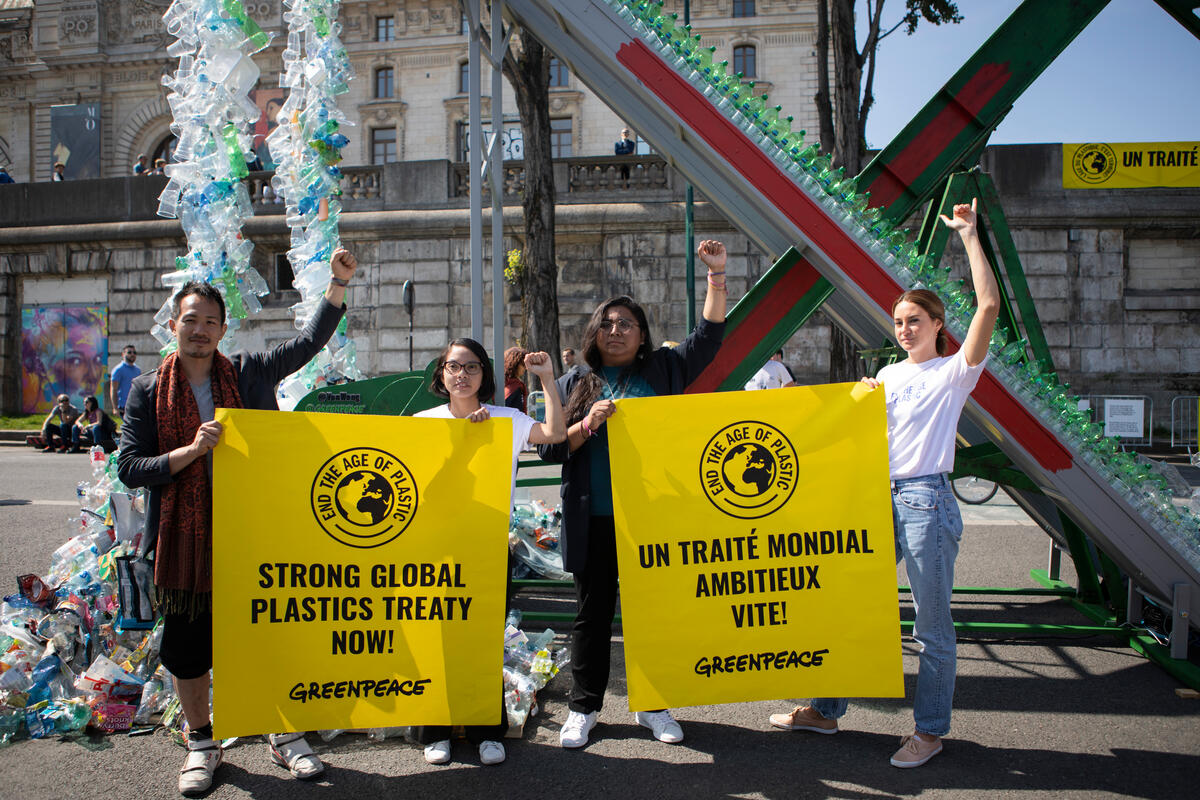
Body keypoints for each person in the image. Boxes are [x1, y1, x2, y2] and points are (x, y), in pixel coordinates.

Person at [117, 249, 360, 796]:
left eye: (211, 321)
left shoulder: (248, 374)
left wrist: (338, 283)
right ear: (173, 325)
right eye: (191, 320)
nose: (200, 330)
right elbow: (130, 466)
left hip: (253, 532)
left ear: (223, 330)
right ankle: (202, 743)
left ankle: (281, 731)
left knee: (267, 637)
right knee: (189, 648)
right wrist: (188, 452)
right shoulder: (147, 390)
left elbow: (307, 344)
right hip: (185, 543)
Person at [767, 199, 999, 769]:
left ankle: (929, 732)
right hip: (876, 497)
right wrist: (858, 397)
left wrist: (969, 236)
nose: (904, 329)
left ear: (938, 325)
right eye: (898, 322)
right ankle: (826, 710)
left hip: (926, 500)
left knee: (931, 628)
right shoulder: (889, 374)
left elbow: (989, 305)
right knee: (846, 607)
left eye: (914, 320)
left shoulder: (954, 373)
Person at [540, 240, 729, 749]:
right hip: (593, 519)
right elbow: (550, 449)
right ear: (593, 333)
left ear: (642, 335)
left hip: (651, 517)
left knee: (652, 615)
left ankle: (653, 705)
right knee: (592, 616)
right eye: (607, 324)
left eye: (627, 324)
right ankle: (583, 708)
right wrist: (586, 423)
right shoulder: (573, 382)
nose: (616, 331)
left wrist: (715, 275)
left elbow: (709, 337)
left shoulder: (663, 370)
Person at [412, 338, 566, 766]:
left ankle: (486, 728)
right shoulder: (422, 423)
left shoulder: (506, 419)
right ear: (441, 373)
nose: (462, 375)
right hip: (437, 547)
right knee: (438, 639)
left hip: (488, 544)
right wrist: (467, 439)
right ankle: (436, 729)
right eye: (453, 366)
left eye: (472, 367)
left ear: (485, 375)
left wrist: (547, 379)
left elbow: (554, 434)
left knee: (485, 639)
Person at [110, 344, 141, 416]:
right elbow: (113, 389)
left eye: (134, 353)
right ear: (123, 354)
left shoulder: (138, 370)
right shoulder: (118, 370)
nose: (132, 354)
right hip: (123, 406)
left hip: (136, 405)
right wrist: (115, 408)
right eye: (129, 352)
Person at [503, 346, 529, 413]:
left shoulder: (503, 381)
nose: (525, 368)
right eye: (523, 364)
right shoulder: (514, 386)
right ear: (515, 364)